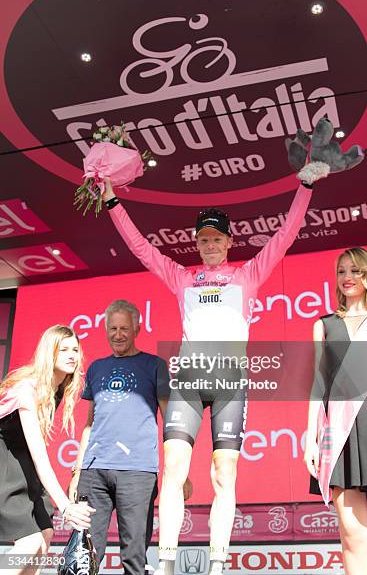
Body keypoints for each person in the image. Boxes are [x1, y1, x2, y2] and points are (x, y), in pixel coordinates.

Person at [101, 162, 330, 575]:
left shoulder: (247, 275)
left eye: (216, 238)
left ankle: (218, 565)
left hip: (229, 382)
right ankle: (166, 563)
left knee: (224, 474)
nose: (209, 244)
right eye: (203, 238)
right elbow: (142, 248)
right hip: (187, 381)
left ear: (227, 242)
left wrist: (305, 186)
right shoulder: (181, 276)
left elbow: (285, 235)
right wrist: (113, 202)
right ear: (198, 243)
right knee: (173, 469)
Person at [304, 247, 367, 575]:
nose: (347, 277)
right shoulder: (324, 325)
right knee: (352, 534)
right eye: (341, 271)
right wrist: (311, 438)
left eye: (355, 271)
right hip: (340, 433)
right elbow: (318, 386)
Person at [69, 299, 176, 575]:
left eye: (124, 328)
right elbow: (90, 423)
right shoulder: (95, 368)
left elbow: (170, 422)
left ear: (137, 329)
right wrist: (78, 471)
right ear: (105, 330)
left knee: (134, 555)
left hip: (137, 472)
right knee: (85, 552)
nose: (118, 334)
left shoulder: (154, 365)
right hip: (94, 471)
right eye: (113, 328)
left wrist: (179, 472)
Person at [0, 324, 94, 574]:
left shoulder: (57, 387)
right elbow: (40, 457)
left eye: (75, 349)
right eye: (63, 350)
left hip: (21, 461)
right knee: (30, 542)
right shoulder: (26, 389)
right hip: (5, 463)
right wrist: (66, 507)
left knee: (45, 536)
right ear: (48, 354)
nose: (72, 355)